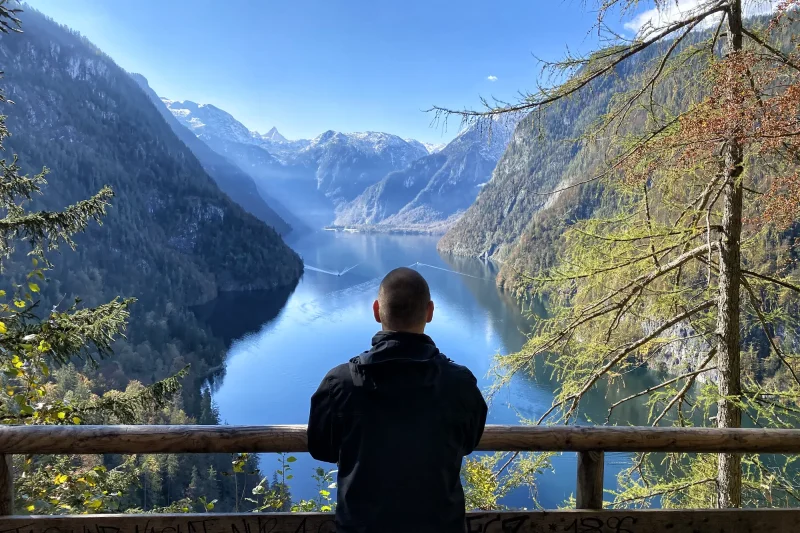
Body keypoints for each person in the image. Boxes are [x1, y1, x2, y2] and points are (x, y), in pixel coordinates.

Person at [307, 267, 488, 533]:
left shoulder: (339, 384)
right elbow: (469, 442)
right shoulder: (460, 384)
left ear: (376, 310)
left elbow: (321, 449)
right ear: (430, 311)